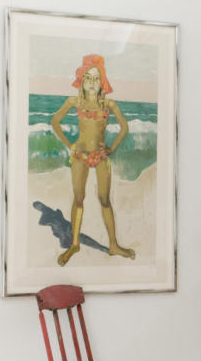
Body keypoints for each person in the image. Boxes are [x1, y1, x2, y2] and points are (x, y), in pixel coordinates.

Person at [49, 53, 136, 263]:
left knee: (105, 200)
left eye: (96, 78)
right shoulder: (74, 101)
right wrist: (70, 144)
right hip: (79, 156)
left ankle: (113, 245)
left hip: (100, 156)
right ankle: (75, 245)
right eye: (88, 77)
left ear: (102, 81)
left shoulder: (109, 104)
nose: (92, 82)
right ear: (81, 79)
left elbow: (124, 128)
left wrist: (112, 148)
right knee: (79, 199)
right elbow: (54, 121)